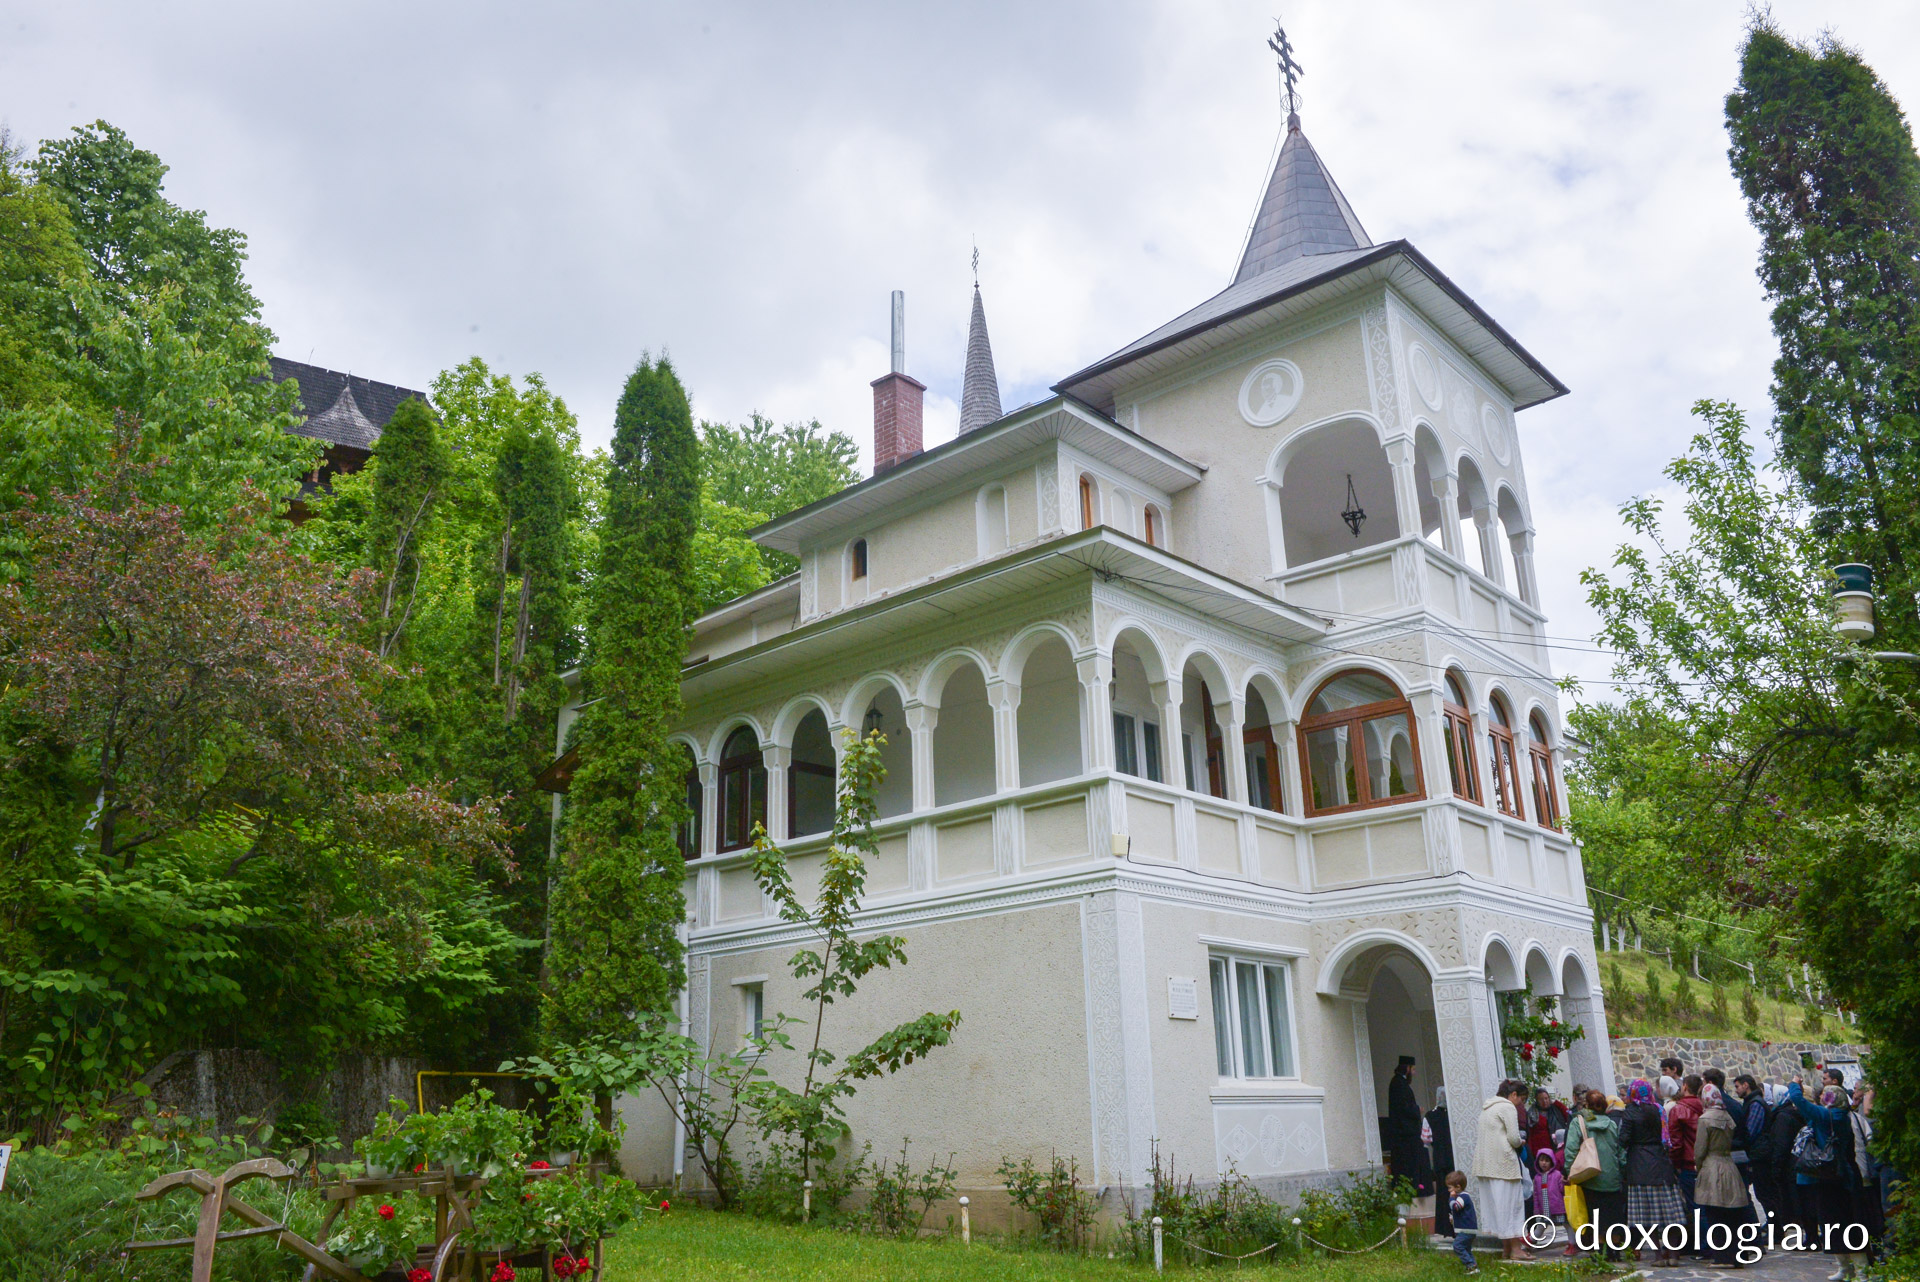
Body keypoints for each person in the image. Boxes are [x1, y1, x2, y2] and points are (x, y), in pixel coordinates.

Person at [1786, 1079, 1867, 1280]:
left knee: (1842, 1223)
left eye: (1825, 1096)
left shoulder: (1830, 1116)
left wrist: (1795, 1084)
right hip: (1838, 1175)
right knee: (1836, 1222)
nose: (1821, 1098)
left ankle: (1858, 1270)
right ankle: (1851, 1268)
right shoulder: (1839, 1116)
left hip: (1835, 1178)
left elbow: (1798, 1100)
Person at [1622, 1078, 1686, 1267]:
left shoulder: (1631, 1111)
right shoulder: (1659, 1109)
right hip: (1661, 1164)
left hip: (1639, 1166)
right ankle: (1673, 1254)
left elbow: (1623, 1139)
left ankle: (1658, 1255)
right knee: (1670, 1213)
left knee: (1645, 1215)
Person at [1694, 1083, 1753, 1267]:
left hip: (1712, 1166)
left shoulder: (1705, 1119)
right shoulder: (1727, 1116)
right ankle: (1735, 1255)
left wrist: (1698, 1165)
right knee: (1732, 1215)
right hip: (1729, 1165)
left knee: (1715, 1214)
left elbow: (1700, 1149)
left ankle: (1722, 1257)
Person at [1475, 1079, 1533, 1261]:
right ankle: (1516, 1249)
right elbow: (1514, 1138)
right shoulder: (1507, 1107)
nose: (1521, 1105)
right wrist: (1521, 1143)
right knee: (1511, 1206)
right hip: (1504, 1164)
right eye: (1522, 1100)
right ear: (1513, 1095)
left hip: (1486, 1165)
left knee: (1499, 1207)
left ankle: (1507, 1249)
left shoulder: (1487, 1108)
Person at [1567, 1088, 1628, 1261]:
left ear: (1587, 1105)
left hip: (1589, 1177)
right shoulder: (1612, 1124)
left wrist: (1570, 1172)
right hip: (1612, 1177)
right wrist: (1621, 1171)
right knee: (1613, 1216)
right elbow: (1620, 1152)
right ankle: (1614, 1250)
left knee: (1594, 1216)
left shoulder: (1578, 1123)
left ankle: (1600, 1251)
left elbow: (1571, 1150)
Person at [1385, 1055, 1435, 1233]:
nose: (1414, 1073)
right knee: (1409, 1163)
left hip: (1405, 1135)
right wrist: (1417, 1110)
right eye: (1412, 1069)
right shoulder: (1399, 1084)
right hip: (1404, 1136)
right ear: (1407, 1068)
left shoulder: (1399, 1083)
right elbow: (1404, 1108)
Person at [1759, 1083, 1805, 1232]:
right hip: (1793, 1162)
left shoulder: (1783, 1117)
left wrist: (1776, 1166)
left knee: (1789, 1198)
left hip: (1786, 1165)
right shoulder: (1791, 1113)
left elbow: (1781, 1143)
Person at [1670, 1074, 1705, 1218]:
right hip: (1707, 1161)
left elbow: (1676, 1142)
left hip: (1689, 1163)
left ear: (1685, 1086)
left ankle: (1704, 1240)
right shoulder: (1706, 1106)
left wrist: (1675, 1163)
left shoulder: (1678, 1110)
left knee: (1696, 1208)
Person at [1429, 1087, 1456, 1237]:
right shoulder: (1453, 1115)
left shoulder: (1430, 1116)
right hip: (1453, 1160)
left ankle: (1444, 1228)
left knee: (1443, 1194)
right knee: (1456, 1192)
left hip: (1440, 1161)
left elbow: (1426, 1139)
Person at [1446, 1170, 1480, 1275]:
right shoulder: (1461, 1197)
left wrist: (1451, 1199)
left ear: (1458, 1187)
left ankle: (1470, 1264)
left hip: (1467, 1229)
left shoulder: (1463, 1197)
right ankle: (1474, 1268)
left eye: (1450, 1187)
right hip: (1467, 1229)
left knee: (1458, 1246)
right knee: (1466, 1248)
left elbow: (1456, 1207)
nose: (1448, 1190)